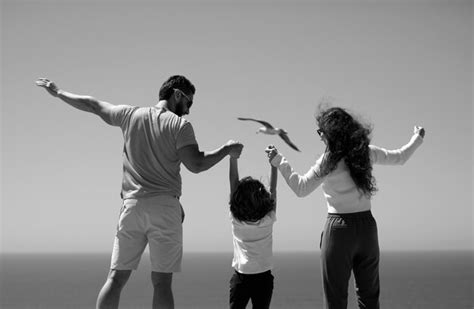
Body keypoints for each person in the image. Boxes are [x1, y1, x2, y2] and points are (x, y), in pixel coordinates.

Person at [35, 76, 244, 309]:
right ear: (177, 95)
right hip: (165, 209)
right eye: (189, 103)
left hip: (132, 206)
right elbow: (195, 164)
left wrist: (58, 92)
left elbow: (93, 105)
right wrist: (226, 150)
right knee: (162, 284)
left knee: (115, 279)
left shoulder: (130, 115)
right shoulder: (179, 126)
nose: (188, 111)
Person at [265, 106, 425, 309]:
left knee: (335, 300)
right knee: (369, 299)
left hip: (339, 230)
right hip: (367, 229)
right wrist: (417, 138)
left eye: (321, 131)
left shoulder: (328, 161)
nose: (320, 136)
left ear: (332, 133)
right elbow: (400, 157)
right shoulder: (365, 153)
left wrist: (279, 161)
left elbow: (301, 188)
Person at [227, 148, 278, 309]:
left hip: (241, 278)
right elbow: (273, 190)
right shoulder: (268, 219)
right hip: (263, 278)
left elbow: (233, 184)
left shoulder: (237, 221)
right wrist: (273, 164)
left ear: (237, 200)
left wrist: (233, 158)